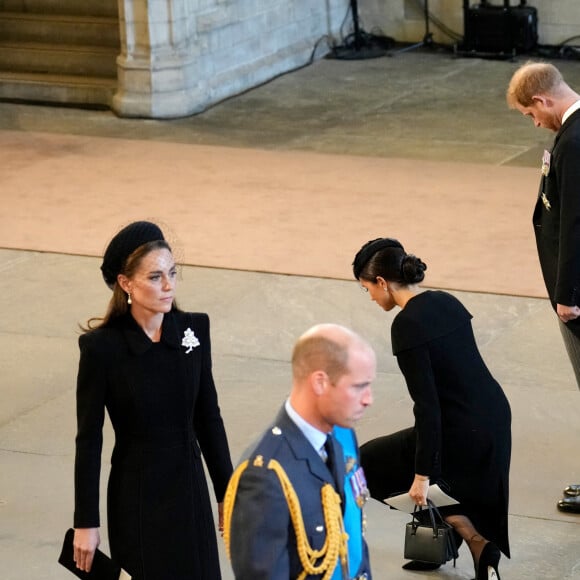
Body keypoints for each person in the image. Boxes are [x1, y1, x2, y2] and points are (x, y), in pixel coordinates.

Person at [72, 221, 233, 579]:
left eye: (172, 273)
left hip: (190, 492)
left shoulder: (194, 331)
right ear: (125, 283)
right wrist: (86, 522)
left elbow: (208, 418)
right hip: (137, 497)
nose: (169, 285)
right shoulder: (102, 349)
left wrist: (227, 491)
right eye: (155, 277)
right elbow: (89, 439)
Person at [352, 238, 511, 580]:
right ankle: (449, 535)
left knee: (365, 466)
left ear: (382, 282)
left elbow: (428, 408)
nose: (370, 297)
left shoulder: (407, 325)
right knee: (430, 473)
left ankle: (475, 539)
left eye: (367, 289)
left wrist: (422, 476)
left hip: (458, 427)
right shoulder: (445, 301)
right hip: (494, 415)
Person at [223, 323, 375, 579]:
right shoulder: (265, 475)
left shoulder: (342, 435)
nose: (368, 398)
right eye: (358, 386)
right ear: (320, 383)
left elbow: (352, 541)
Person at [507, 61, 580, 514]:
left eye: (530, 114)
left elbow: (575, 223)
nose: (534, 123)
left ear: (542, 100)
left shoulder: (574, 142)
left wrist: (568, 294)